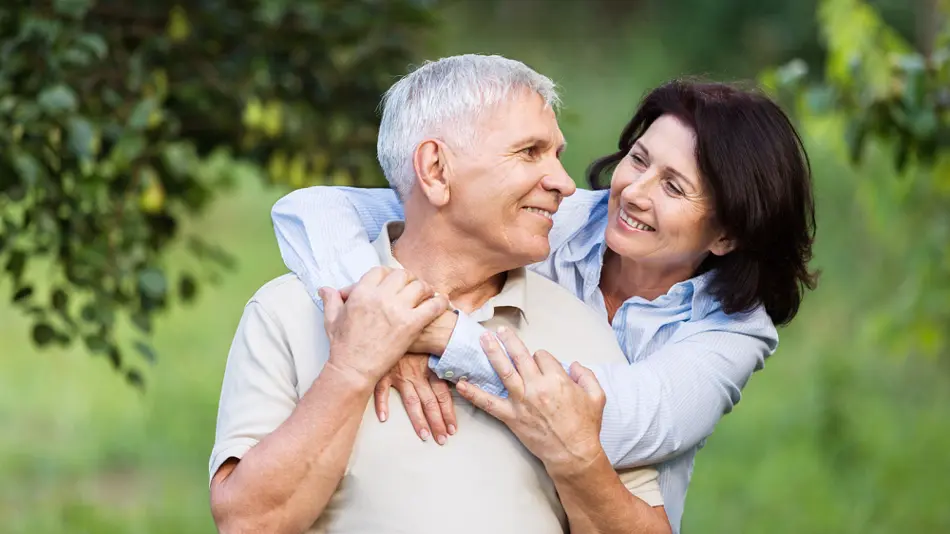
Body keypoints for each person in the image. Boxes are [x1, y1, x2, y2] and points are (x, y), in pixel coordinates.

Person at [270, 68, 818, 532]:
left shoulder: (735, 331)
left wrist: (432, 332)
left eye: (674, 187)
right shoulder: (555, 219)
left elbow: (608, 421)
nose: (634, 191)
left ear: (726, 235)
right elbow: (314, 211)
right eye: (639, 158)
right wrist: (381, 313)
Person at [210, 54, 671, 534]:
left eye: (556, 154)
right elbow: (247, 524)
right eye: (530, 152)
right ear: (435, 169)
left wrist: (578, 459)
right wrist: (351, 369)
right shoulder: (286, 312)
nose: (564, 183)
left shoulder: (582, 330)